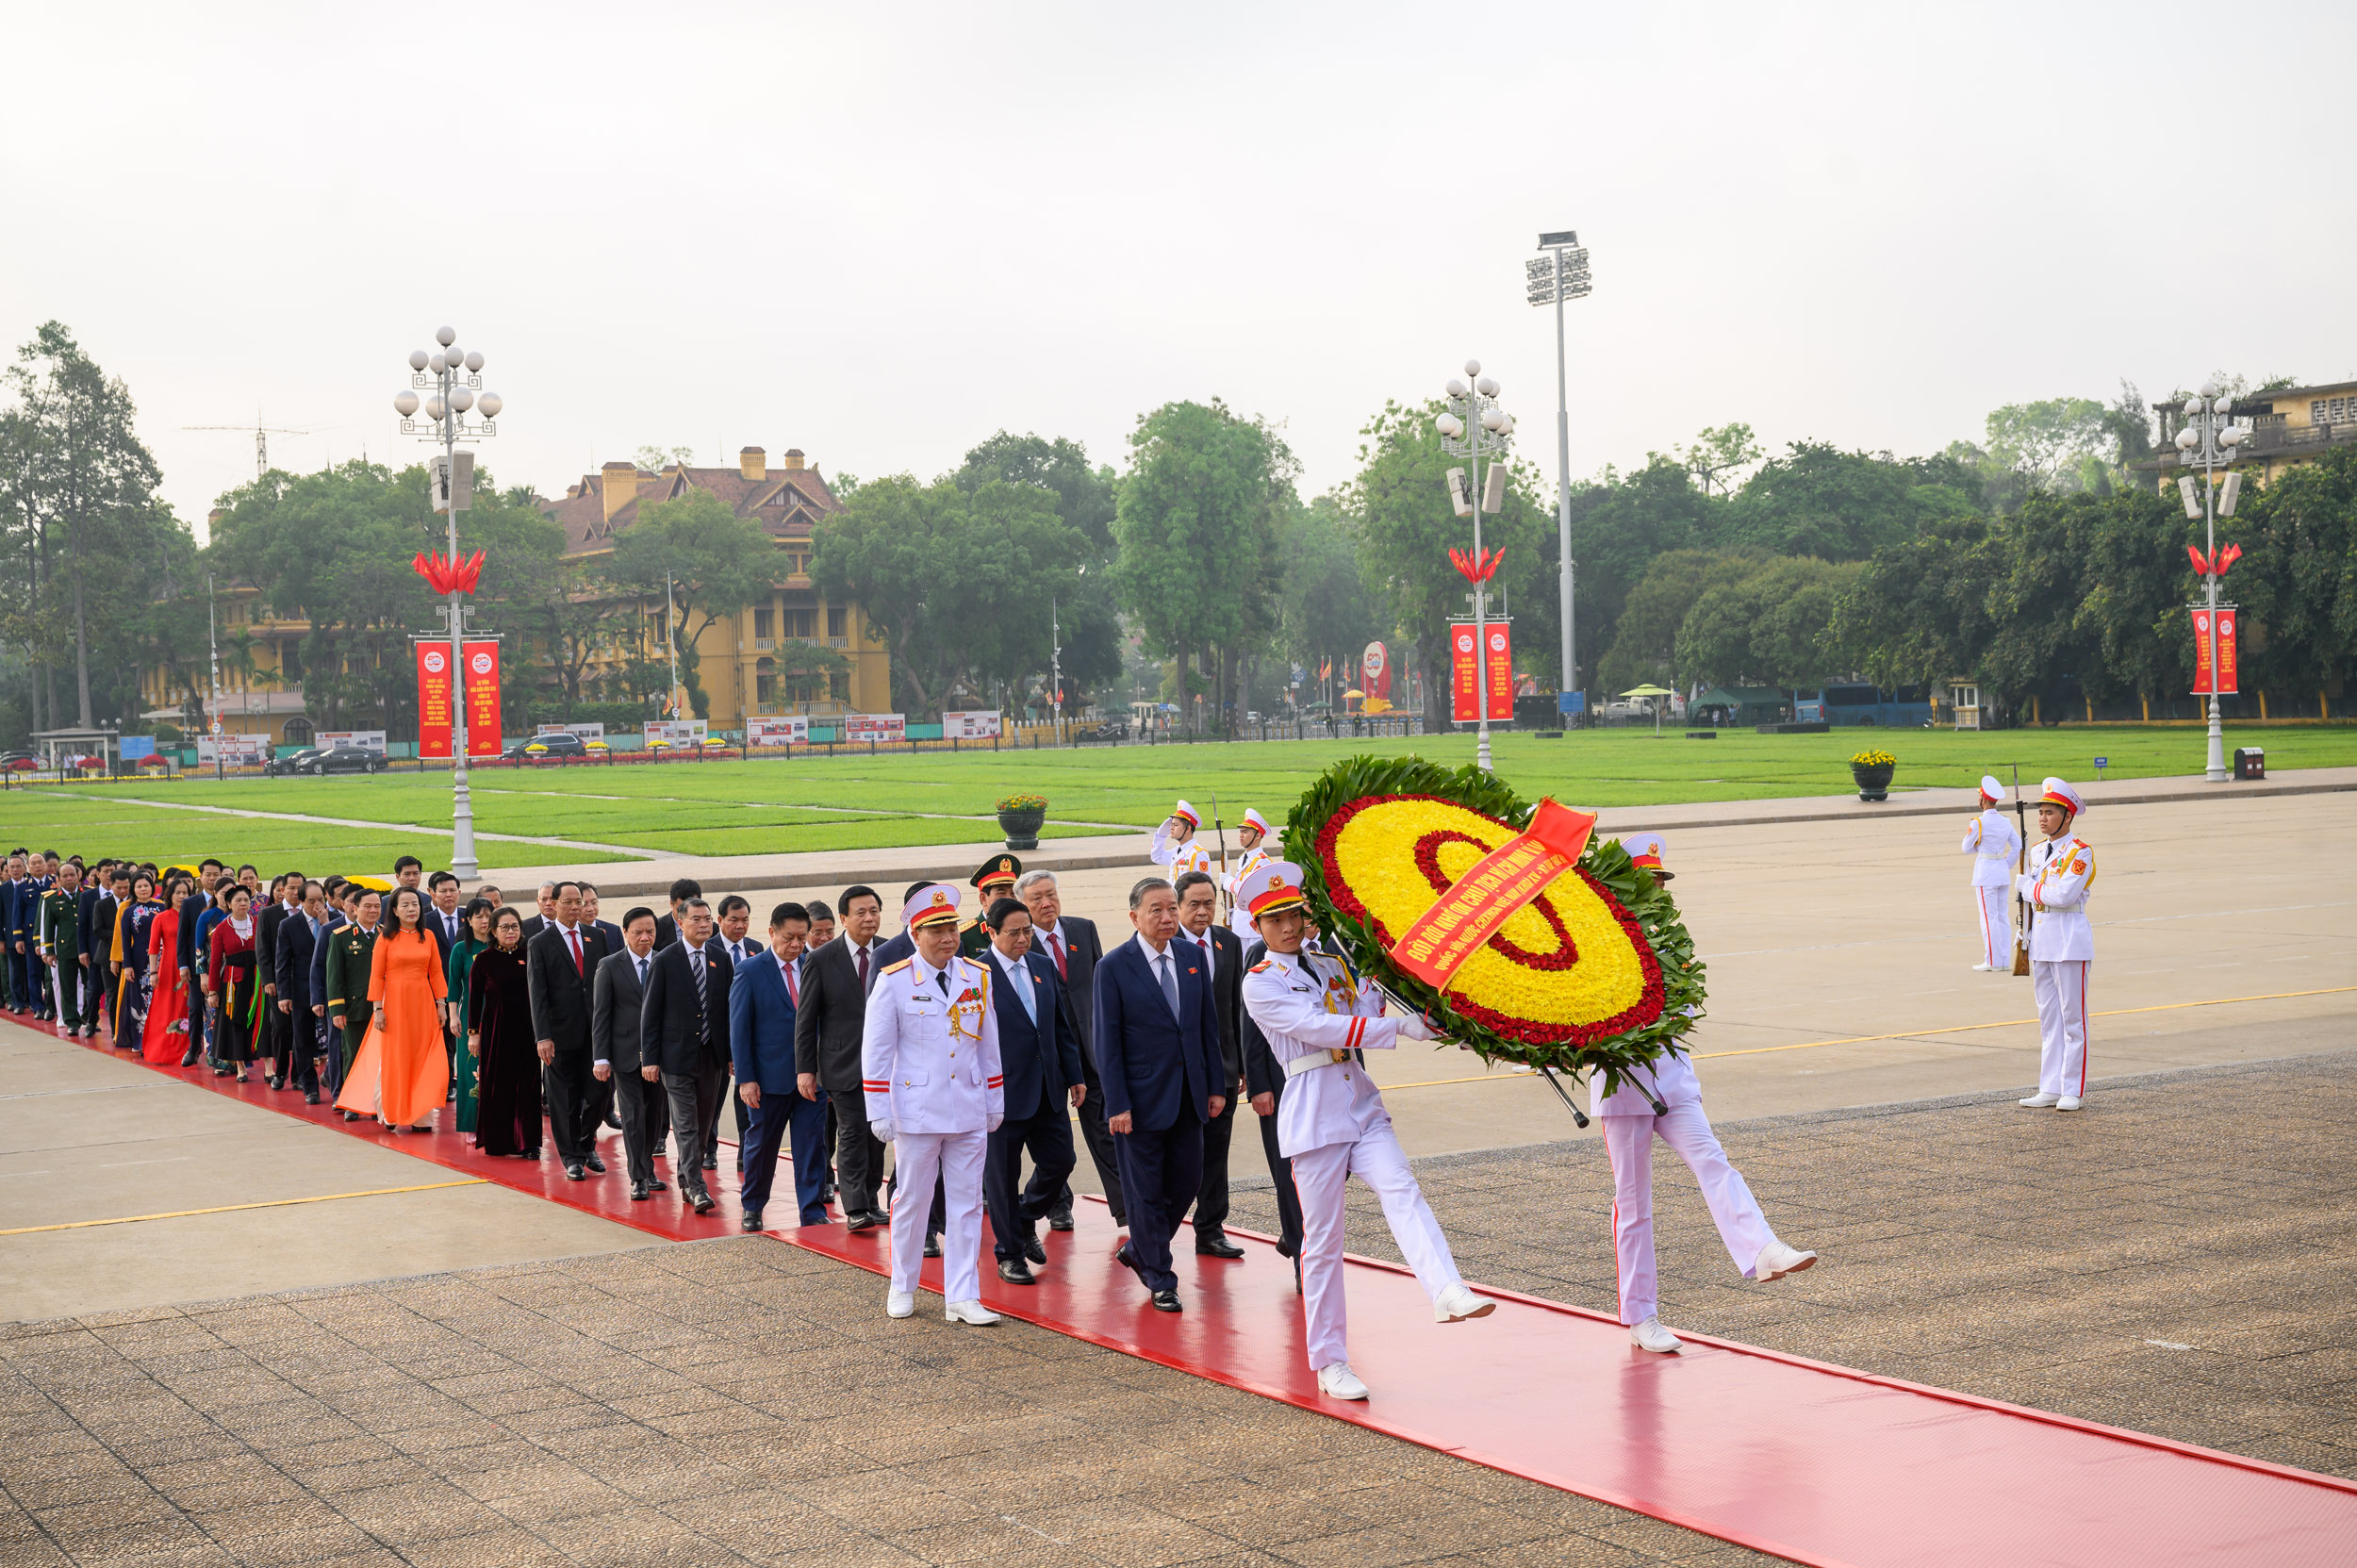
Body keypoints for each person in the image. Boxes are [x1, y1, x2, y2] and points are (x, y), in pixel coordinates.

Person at [1235, 859, 1495, 1398]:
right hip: (1313, 1114)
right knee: (1324, 1243)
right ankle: (1330, 1361)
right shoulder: (1259, 984)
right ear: (1257, 927)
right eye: (1274, 919)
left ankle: (1446, 1287)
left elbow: (1371, 1006)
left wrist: (1432, 1020)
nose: (1287, 927)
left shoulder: (1332, 964)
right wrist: (1394, 1026)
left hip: (1360, 1103)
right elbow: (1317, 1027)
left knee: (1402, 1187)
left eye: (1292, 914)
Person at [1593, 834, 1816, 1355]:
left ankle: (1763, 1248)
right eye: (1648, 881)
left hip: (1673, 1082)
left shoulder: (1672, 942)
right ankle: (1641, 1315)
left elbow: (1689, 1009)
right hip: (1624, 1088)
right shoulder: (1601, 942)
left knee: (1714, 1162)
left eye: (1661, 881)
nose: (1658, 890)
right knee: (1633, 1204)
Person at [861, 883, 1002, 1325]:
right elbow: (877, 1050)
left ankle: (962, 1295)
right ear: (916, 934)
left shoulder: (976, 977)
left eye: (952, 930)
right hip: (917, 1109)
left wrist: (994, 1097)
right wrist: (879, 1108)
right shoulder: (895, 980)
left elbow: (988, 1044)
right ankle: (903, 1283)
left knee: (967, 1204)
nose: (948, 938)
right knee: (912, 1201)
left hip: (967, 1106)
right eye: (937, 930)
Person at [1094, 877, 1227, 1313]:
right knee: (1145, 1192)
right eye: (1157, 910)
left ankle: (1140, 1248)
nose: (1168, 917)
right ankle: (1160, 1278)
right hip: (1140, 1101)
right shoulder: (1113, 966)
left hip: (1190, 1096)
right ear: (1134, 916)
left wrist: (1214, 1086)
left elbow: (1206, 1026)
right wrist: (1117, 1104)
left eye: (1172, 908)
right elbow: (1107, 1042)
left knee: (1188, 1181)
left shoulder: (1191, 956)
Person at [979, 896, 1081, 1284]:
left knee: (1061, 1160)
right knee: (1002, 1178)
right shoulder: (977, 974)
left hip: (1048, 1090)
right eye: (1014, 932)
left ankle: (1025, 1217)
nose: (1023, 938)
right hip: (1001, 1094)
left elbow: (1059, 1027)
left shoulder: (1041, 965)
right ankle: (1009, 1254)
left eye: (1027, 931)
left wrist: (1074, 1075)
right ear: (991, 932)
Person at [1016, 869, 1114, 1238]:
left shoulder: (1082, 929)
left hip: (1090, 1049)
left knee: (1107, 1130)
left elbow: (1102, 986)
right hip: (1046, 1056)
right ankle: (1058, 1206)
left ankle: (1125, 1208)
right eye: (1036, 898)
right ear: (1023, 907)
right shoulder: (1021, 943)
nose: (1046, 903)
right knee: (1053, 1140)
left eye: (1051, 894)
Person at [795, 884, 892, 1230]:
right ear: (844, 918)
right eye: (861, 913)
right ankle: (854, 1209)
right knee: (852, 1131)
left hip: (885, 1065)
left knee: (877, 1133)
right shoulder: (821, 959)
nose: (869, 918)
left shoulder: (891, 953)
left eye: (874, 911)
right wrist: (805, 1070)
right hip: (842, 1063)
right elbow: (806, 1021)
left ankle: (871, 1199)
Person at [732, 901, 827, 1230]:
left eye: (802, 937)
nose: (796, 945)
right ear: (771, 932)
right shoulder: (751, 970)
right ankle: (753, 1206)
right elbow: (739, 1028)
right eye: (789, 937)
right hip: (768, 1078)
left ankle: (813, 1210)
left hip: (811, 1078)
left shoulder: (814, 965)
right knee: (761, 1146)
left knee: (812, 1145)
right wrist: (746, 1078)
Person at [1171, 870, 1247, 1259]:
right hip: (1181, 1074)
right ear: (1178, 906)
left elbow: (1236, 1007)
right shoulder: (1166, 947)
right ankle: (1157, 1229)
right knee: (1182, 1155)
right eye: (1194, 905)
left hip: (1223, 1067)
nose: (1203, 912)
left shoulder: (1228, 943)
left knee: (1217, 1152)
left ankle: (1211, 1228)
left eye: (1209, 903)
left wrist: (1242, 1065)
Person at [643, 897, 733, 1213]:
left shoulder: (721, 959)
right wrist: (650, 1058)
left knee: (704, 1124)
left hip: (712, 1056)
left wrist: (732, 1054)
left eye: (708, 919)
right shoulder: (666, 960)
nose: (704, 924)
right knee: (686, 1124)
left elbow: (726, 1011)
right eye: (696, 919)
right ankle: (696, 1187)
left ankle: (686, 1178)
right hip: (676, 1057)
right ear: (680, 923)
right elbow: (650, 1013)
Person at [336, 886, 449, 1131]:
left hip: (424, 1005)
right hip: (394, 1004)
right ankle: (390, 1112)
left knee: (422, 1058)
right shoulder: (385, 938)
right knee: (394, 1059)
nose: (411, 909)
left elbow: (437, 972)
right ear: (395, 911)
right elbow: (376, 976)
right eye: (405, 905)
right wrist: (378, 1009)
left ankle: (422, 1116)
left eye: (415, 904)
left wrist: (441, 1004)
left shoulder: (428, 936)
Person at [2017, 778, 2096, 1113]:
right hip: (2042, 941)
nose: (2043, 818)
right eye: (2041, 812)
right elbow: (2035, 900)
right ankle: (2049, 1086)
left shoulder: (2080, 853)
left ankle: (2072, 1090)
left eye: (2050, 813)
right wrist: (2025, 932)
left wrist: (2029, 889)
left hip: (2069, 941)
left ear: (2067, 817)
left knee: (2072, 1020)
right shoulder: (2035, 851)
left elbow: (2064, 895)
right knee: (2049, 1019)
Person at [525, 882, 610, 1180]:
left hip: (596, 1033)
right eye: (569, 902)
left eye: (580, 902)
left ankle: (586, 1143)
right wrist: (543, 1036)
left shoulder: (596, 937)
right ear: (555, 904)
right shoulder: (540, 942)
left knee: (599, 1092)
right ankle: (571, 1156)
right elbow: (538, 994)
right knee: (564, 1098)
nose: (576, 907)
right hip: (560, 1034)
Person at [593, 907, 668, 1200]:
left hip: (658, 1056)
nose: (645, 937)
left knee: (654, 1117)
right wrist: (601, 1057)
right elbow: (602, 1015)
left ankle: (648, 1168)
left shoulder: (665, 962)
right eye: (638, 932)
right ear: (625, 933)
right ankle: (637, 1177)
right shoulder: (610, 965)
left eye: (650, 931)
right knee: (633, 1116)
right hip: (624, 1054)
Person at [468, 907, 541, 1159]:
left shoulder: (529, 955)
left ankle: (529, 1142)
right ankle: (499, 1141)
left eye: (515, 927)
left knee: (528, 1086)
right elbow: (475, 999)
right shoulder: (484, 960)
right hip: (496, 1031)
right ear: (493, 931)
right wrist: (473, 1033)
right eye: (505, 927)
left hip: (528, 1031)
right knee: (500, 1085)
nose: (511, 932)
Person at [324, 890, 380, 1114]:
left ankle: (377, 1102)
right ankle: (353, 1103)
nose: (374, 910)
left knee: (378, 1058)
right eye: (368, 906)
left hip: (382, 1008)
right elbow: (334, 976)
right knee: (353, 1056)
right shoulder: (341, 936)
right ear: (355, 908)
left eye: (377, 906)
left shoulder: (386, 935)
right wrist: (337, 1009)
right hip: (354, 1008)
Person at [272, 882, 326, 1104]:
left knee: (333, 1038)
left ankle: (333, 1080)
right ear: (301, 901)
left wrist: (325, 924)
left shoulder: (332, 921)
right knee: (302, 1040)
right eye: (312, 901)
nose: (317, 905)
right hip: (301, 990)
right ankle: (309, 1086)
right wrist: (284, 994)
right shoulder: (288, 925)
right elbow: (282, 962)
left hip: (327, 988)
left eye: (320, 900)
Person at [1962, 774, 2022, 972]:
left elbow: (1966, 847)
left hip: (1986, 873)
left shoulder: (1978, 823)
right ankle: (2004, 959)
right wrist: (2006, 864)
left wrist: (1979, 849)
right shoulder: (2005, 821)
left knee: (1988, 918)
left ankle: (1993, 960)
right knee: (2002, 917)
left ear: (1983, 799)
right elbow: (2018, 846)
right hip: (2001, 872)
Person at [445, 899, 494, 1134]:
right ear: (468, 920)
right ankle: (471, 1124)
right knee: (469, 1069)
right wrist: (453, 1016)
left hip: (501, 1014)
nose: (485, 921)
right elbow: (454, 986)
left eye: (488, 916)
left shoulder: (502, 945)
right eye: (479, 917)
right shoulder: (461, 950)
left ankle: (495, 1121)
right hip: (471, 1017)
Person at [206, 883, 264, 1082]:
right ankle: (240, 1066)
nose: (243, 903)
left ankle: (269, 1067)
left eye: (246, 900)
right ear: (229, 904)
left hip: (257, 981)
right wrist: (213, 991)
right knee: (235, 1022)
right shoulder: (221, 929)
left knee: (262, 1020)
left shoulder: (258, 923)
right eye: (238, 900)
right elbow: (214, 962)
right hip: (233, 982)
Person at [141, 875, 195, 1065]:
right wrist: (153, 972)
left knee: (188, 1007)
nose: (181, 896)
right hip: (168, 969)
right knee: (165, 1009)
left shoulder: (195, 916)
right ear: (169, 895)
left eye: (185, 893)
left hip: (192, 966)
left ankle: (190, 1049)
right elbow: (154, 947)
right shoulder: (161, 918)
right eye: (177, 893)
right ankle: (163, 1049)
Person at [37, 860, 85, 1036]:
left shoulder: (86, 895)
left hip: (86, 950)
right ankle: (71, 1021)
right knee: (67, 987)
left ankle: (89, 1017)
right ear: (57, 879)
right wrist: (49, 952)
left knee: (91, 986)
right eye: (65, 876)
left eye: (72, 875)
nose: (69, 878)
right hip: (65, 950)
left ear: (79, 876)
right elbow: (48, 926)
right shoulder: (50, 900)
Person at [958, 854, 1022, 959]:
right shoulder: (965, 936)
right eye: (1001, 894)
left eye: (1013, 893)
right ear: (983, 899)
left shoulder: (1026, 931)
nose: (1009, 899)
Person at [1223, 808, 1275, 937]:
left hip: (1251, 929)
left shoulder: (1263, 862)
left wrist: (1228, 882)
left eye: (1245, 832)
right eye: (1240, 831)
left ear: (1257, 835)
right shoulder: (1243, 858)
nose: (1241, 835)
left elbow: (1248, 889)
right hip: (1239, 924)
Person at [1149, 799, 1215, 881]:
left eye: (1175, 825)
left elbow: (1204, 885)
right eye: (1171, 824)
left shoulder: (1198, 854)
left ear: (1187, 829)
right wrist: (1160, 836)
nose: (1171, 828)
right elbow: (1156, 857)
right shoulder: (1177, 851)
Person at [652, 878, 701, 949]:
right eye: (681, 910)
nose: (687, 915)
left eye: (692, 909)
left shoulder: (711, 929)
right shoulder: (657, 928)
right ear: (671, 904)